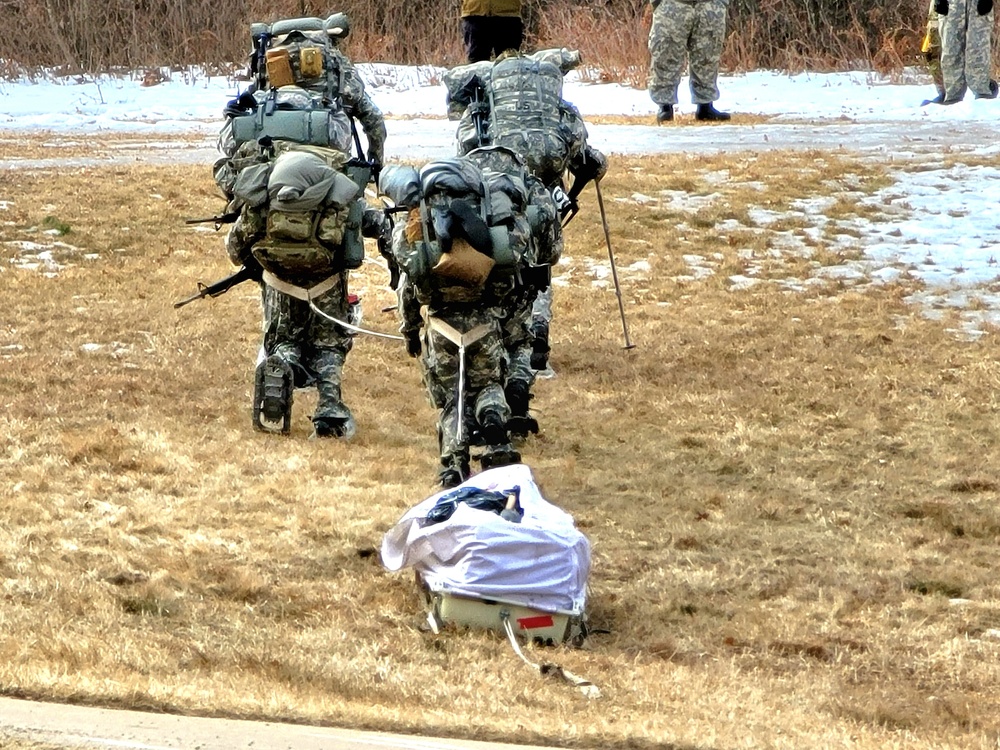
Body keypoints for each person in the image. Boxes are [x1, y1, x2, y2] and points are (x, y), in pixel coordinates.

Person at [213, 14, 389, 439]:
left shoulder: (266, 69)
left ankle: (286, 362)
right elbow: (372, 120)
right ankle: (330, 406)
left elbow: (229, 152)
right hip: (326, 236)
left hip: (272, 231)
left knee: (283, 323)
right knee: (330, 338)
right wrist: (373, 171)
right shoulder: (337, 68)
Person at [444, 48, 607, 381]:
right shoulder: (553, 111)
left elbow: (465, 154)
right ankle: (538, 336)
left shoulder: (483, 106)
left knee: (504, 258)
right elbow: (583, 155)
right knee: (540, 262)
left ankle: (500, 335)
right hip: (545, 189)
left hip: (499, 193)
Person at [380, 157, 528, 488]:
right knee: (488, 384)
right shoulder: (489, 217)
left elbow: (409, 287)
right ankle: (493, 423)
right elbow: (510, 282)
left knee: (452, 397)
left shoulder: (418, 224)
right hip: (484, 321)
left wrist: (410, 333)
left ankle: (454, 463)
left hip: (440, 326)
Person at [647, 0, 731, 123]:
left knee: (707, 56)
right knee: (666, 54)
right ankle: (665, 106)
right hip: (673, 4)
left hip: (709, 5)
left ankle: (705, 106)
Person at [934, 0, 997, 103]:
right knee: (951, 51)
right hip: (951, 5)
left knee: (978, 50)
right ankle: (953, 96)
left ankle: (982, 94)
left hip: (977, 5)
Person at [921, 0, 947, 105]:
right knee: (931, 55)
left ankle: (948, 94)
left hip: (946, 22)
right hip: (934, 24)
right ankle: (943, 92)